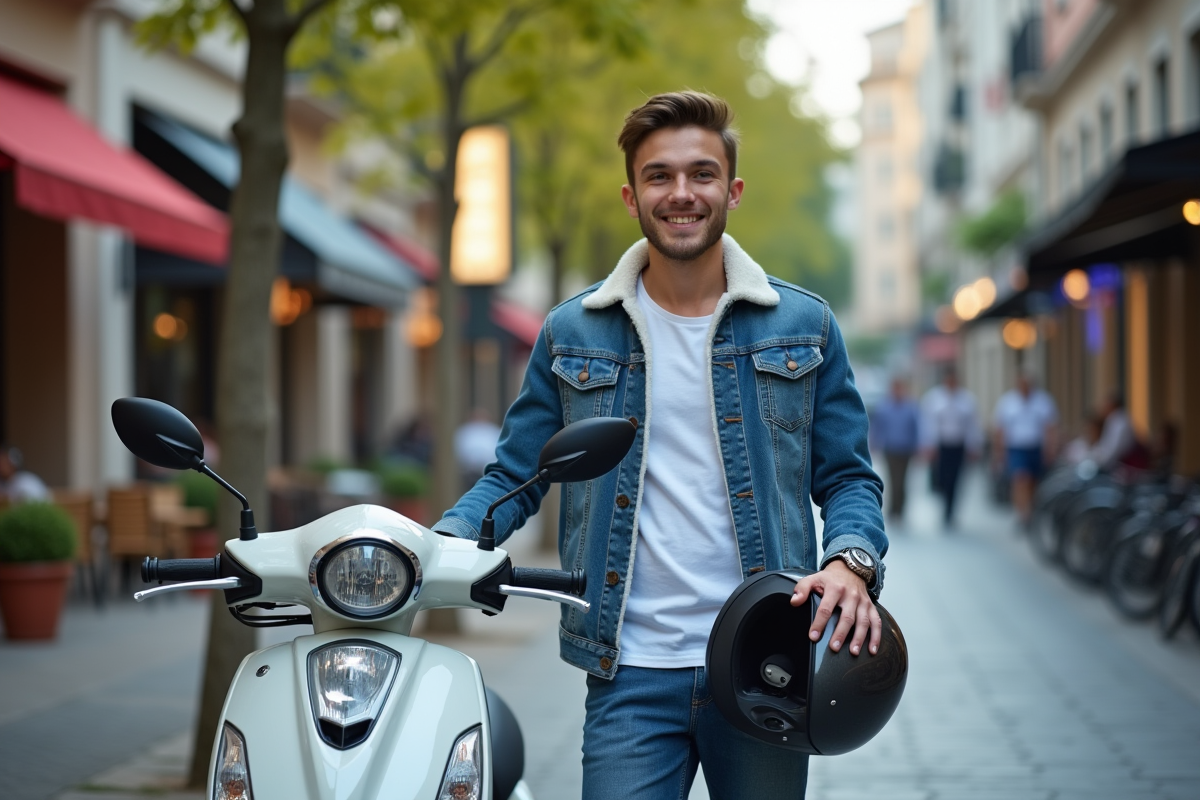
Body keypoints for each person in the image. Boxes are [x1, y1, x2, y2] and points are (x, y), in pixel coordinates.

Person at [433, 91, 886, 800]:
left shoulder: (805, 325)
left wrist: (851, 563)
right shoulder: (571, 332)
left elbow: (850, 479)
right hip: (628, 669)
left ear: (732, 191)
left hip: (764, 659)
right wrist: (437, 544)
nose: (682, 193)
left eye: (702, 174)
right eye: (660, 176)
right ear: (631, 195)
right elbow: (516, 475)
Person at [992, 374, 1058, 528]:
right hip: (1016, 448)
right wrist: (999, 452)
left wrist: (1050, 449)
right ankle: (1023, 515)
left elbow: (1050, 427)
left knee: (1034, 483)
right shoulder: (1007, 402)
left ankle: (1031, 510)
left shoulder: (1043, 401)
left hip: (1036, 447)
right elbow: (1000, 429)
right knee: (1021, 480)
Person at [920, 366, 982, 529]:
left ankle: (950, 511)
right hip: (942, 445)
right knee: (943, 478)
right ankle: (945, 505)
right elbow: (928, 423)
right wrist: (928, 444)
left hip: (958, 445)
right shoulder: (934, 398)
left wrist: (973, 445)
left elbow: (972, 426)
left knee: (956, 478)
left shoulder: (967, 400)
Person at [870, 377, 920, 523]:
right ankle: (893, 509)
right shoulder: (884, 407)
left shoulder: (910, 407)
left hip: (906, 448)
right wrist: (874, 443)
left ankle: (900, 508)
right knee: (893, 480)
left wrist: (919, 445)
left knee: (902, 480)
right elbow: (877, 427)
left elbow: (916, 428)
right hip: (890, 449)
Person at [454, 408, 502, 490]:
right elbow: (462, 451)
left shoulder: (493, 431)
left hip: (490, 472)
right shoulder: (466, 431)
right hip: (471, 473)